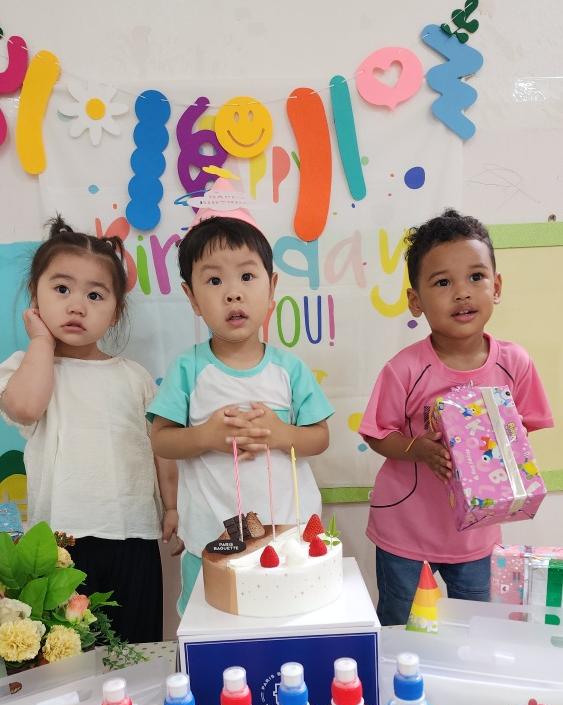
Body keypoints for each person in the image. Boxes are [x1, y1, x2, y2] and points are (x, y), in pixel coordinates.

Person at [360, 208, 553, 627]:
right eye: (443, 282)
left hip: (477, 534)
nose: (462, 293)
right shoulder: (405, 369)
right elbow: (376, 433)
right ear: (416, 301)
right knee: (399, 621)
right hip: (405, 530)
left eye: (476, 277)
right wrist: (418, 449)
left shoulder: (514, 362)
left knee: (477, 624)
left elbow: (525, 427)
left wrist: (499, 442)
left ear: (496, 287)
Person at [148, 198, 333, 615]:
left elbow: (320, 438)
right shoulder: (188, 369)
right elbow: (161, 441)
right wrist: (205, 437)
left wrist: (280, 434)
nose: (233, 292)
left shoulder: (289, 369)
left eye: (247, 276)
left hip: (287, 537)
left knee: (283, 622)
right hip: (208, 538)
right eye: (214, 281)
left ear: (272, 287)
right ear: (192, 298)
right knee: (209, 623)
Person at [0, 216, 181, 642]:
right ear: (35, 297)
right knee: (66, 655)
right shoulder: (26, 368)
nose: (77, 306)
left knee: (137, 649)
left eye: (95, 295)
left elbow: (161, 445)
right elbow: (25, 407)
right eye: (61, 289)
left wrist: (172, 506)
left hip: (133, 534)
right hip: (61, 542)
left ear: (115, 312)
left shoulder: (134, 376)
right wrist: (41, 342)